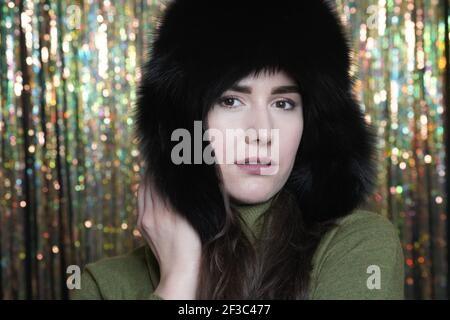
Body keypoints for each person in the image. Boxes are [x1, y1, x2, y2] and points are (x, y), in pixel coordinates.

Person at [71, 0, 405, 300]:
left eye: (284, 103)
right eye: (230, 100)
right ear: (185, 121)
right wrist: (178, 281)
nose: (262, 132)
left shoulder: (357, 246)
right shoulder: (102, 286)